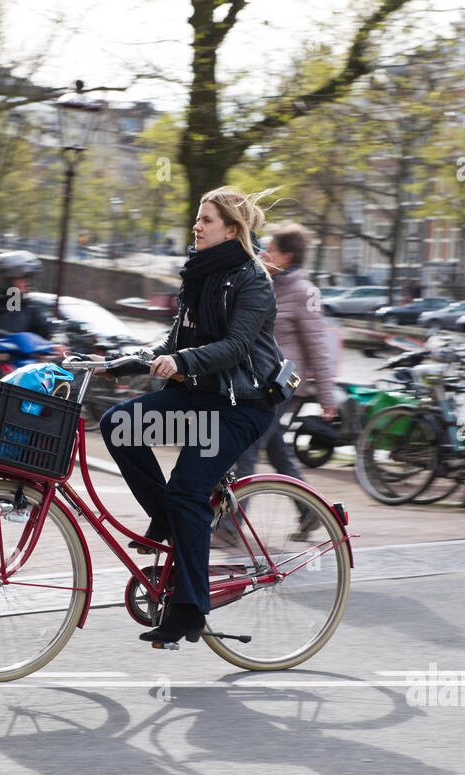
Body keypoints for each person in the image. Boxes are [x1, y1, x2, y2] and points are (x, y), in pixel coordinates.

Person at [99, 187, 280, 645]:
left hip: (242, 405)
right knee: (118, 425)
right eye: (197, 219)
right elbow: (174, 341)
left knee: (187, 492)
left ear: (232, 230)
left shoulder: (251, 278)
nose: (195, 226)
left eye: (206, 220)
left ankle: (189, 610)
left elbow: (236, 347)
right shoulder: (198, 274)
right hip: (200, 396)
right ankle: (165, 517)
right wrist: (129, 359)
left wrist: (183, 363)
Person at [235, 223, 338, 491]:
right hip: (260, 380)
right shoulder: (268, 285)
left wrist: (328, 397)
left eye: (270, 250)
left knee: (248, 445)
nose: (264, 254)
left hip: (283, 384)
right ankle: (309, 512)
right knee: (275, 447)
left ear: (286, 257)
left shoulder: (306, 292)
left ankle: (230, 528)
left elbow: (318, 347)